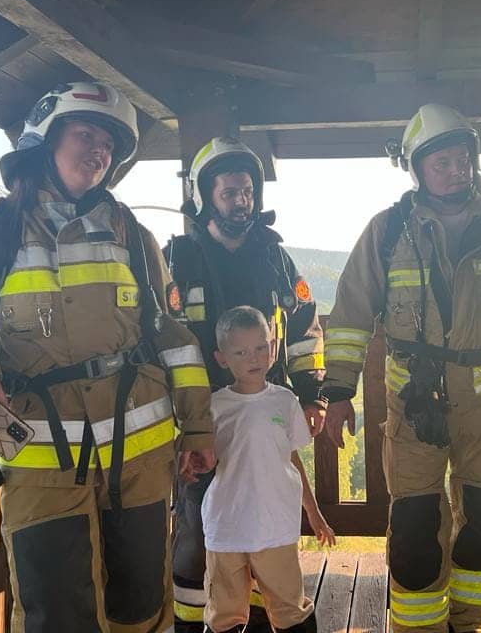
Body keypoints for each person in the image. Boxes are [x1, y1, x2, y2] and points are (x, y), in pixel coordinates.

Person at [0, 82, 215, 633]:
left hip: (141, 456)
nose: (99, 151)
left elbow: (173, 338)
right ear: (44, 141)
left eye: (109, 145)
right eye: (85, 134)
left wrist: (197, 429)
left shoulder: (133, 235)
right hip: (41, 460)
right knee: (56, 613)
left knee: (141, 606)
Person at [322, 105, 481, 633]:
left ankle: (471, 623)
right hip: (413, 406)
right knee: (415, 531)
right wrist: (339, 391)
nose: (457, 170)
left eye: (463, 160)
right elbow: (350, 314)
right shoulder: (389, 231)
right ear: (416, 169)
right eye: (442, 163)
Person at [164, 137, 326, 631]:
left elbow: (305, 329)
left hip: (261, 417)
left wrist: (313, 395)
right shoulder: (179, 260)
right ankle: (196, 624)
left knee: (265, 529)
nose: (242, 201)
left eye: (248, 192)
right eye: (229, 192)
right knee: (199, 534)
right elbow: (159, 338)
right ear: (205, 197)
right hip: (201, 423)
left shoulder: (276, 260)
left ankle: (255, 623)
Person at [201, 306, 334, 633]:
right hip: (226, 525)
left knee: (289, 606)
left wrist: (314, 513)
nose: (254, 358)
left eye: (261, 348)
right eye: (241, 352)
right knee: (224, 612)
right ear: (222, 359)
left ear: (273, 348)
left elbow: (291, 459)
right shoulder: (215, 406)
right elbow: (202, 459)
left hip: (274, 524)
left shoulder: (285, 401)